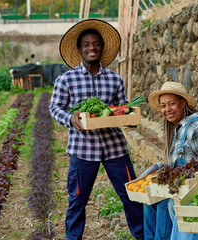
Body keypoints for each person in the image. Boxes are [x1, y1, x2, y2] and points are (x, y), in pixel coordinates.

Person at [49, 19, 144, 240]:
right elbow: (54, 108)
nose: (92, 48)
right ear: (80, 49)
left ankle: (143, 236)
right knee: (77, 201)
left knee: (132, 196)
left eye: (96, 44)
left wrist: (129, 118)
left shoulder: (114, 79)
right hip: (82, 150)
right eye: (87, 44)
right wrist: (70, 118)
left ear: (102, 47)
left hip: (115, 149)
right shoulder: (66, 79)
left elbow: (123, 108)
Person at [142, 81, 198, 240]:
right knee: (148, 200)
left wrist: (186, 179)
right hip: (178, 186)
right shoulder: (179, 127)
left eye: (171, 104)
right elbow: (177, 163)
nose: (167, 109)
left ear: (182, 102)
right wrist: (160, 166)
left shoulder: (196, 127)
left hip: (192, 189)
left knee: (165, 204)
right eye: (163, 106)